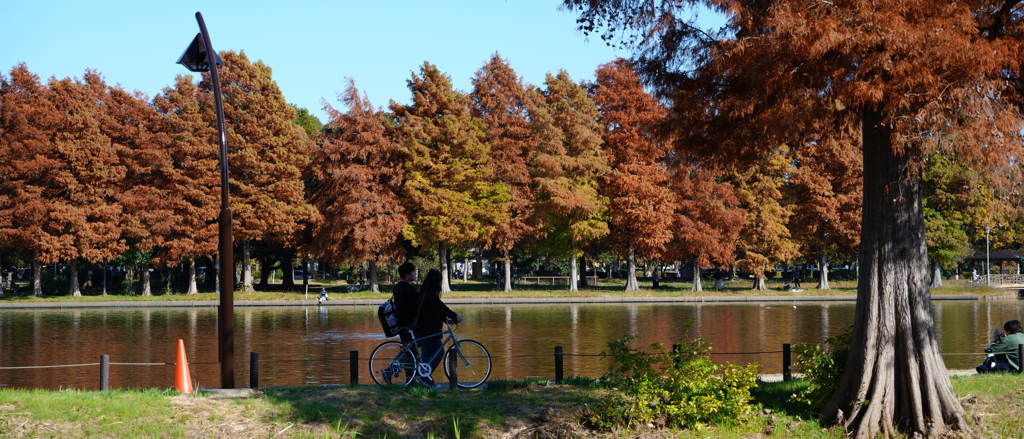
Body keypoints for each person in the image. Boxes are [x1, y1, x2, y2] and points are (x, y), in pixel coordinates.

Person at [414, 269, 461, 386]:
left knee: (427, 355)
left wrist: (445, 317)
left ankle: (424, 380)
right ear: (436, 282)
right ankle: (423, 376)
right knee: (439, 352)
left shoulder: (423, 292)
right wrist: (454, 316)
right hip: (429, 329)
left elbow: (434, 310)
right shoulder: (430, 294)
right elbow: (440, 308)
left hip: (422, 328)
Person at [393, 262, 420, 347]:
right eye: (413, 272)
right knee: (412, 350)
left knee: (409, 349)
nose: (415, 274)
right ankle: (397, 360)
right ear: (407, 275)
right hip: (410, 324)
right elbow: (419, 304)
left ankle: (399, 360)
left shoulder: (398, 287)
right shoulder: (409, 289)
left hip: (401, 323)